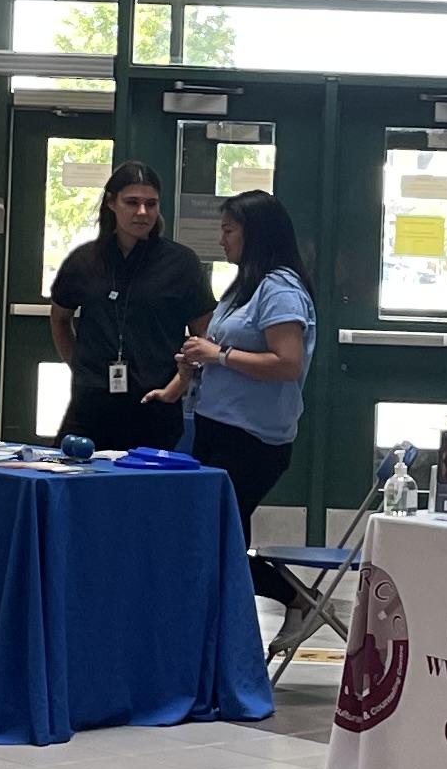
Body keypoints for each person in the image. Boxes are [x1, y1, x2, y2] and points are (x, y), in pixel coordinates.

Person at [150, 189, 324, 648]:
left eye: (229, 231)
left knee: (212, 539)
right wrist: (194, 363)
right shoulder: (244, 285)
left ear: (257, 236)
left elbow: (286, 363)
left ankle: (299, 600)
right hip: (215, 426)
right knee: (216, 535)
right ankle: (223, 637)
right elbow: (221, 349)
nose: (222, 240)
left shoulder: (281, 289)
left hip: (252, 439)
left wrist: (220, 354)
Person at [50, 164, 215, 454]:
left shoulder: (181, 263)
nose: (142, 212)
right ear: (112, 203)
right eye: (132, 203)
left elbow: (205, 336)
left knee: (144, 494)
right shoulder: (84, 260)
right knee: (76, 485)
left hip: (155, 403)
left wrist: (176, 387)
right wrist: (80, 366)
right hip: (92, 404)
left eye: (150, 204)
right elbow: (60, 319)